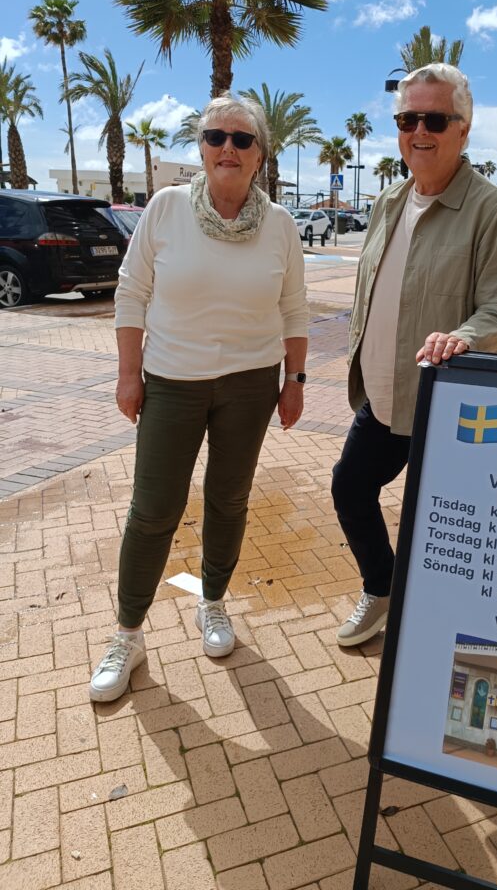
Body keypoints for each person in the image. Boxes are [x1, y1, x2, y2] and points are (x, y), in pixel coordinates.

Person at [89, 93, 309, 702]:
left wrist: (294, 382)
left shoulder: (280, 225)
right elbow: (131, 293)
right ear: (202, 147)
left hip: (251, 384)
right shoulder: (165, 208)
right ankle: (128, 636)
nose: (227, 149)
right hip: (171, 380)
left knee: (229, 499)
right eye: (216, 137)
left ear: (259, 154)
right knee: (153, 509)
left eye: (241, 139)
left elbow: (294, 309)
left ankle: (211, 602)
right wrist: (128, 374)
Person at [331, 64, 497, 647]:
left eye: (434, 120)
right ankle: (383, 588)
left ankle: (440, 630)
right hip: (383, 394)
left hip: (444, 403)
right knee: (350, 488)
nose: (419, 131)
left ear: (463, 129)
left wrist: (463, 336)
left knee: (439, 522)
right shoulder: (389, 200)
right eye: (407, 119)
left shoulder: (489, 207)